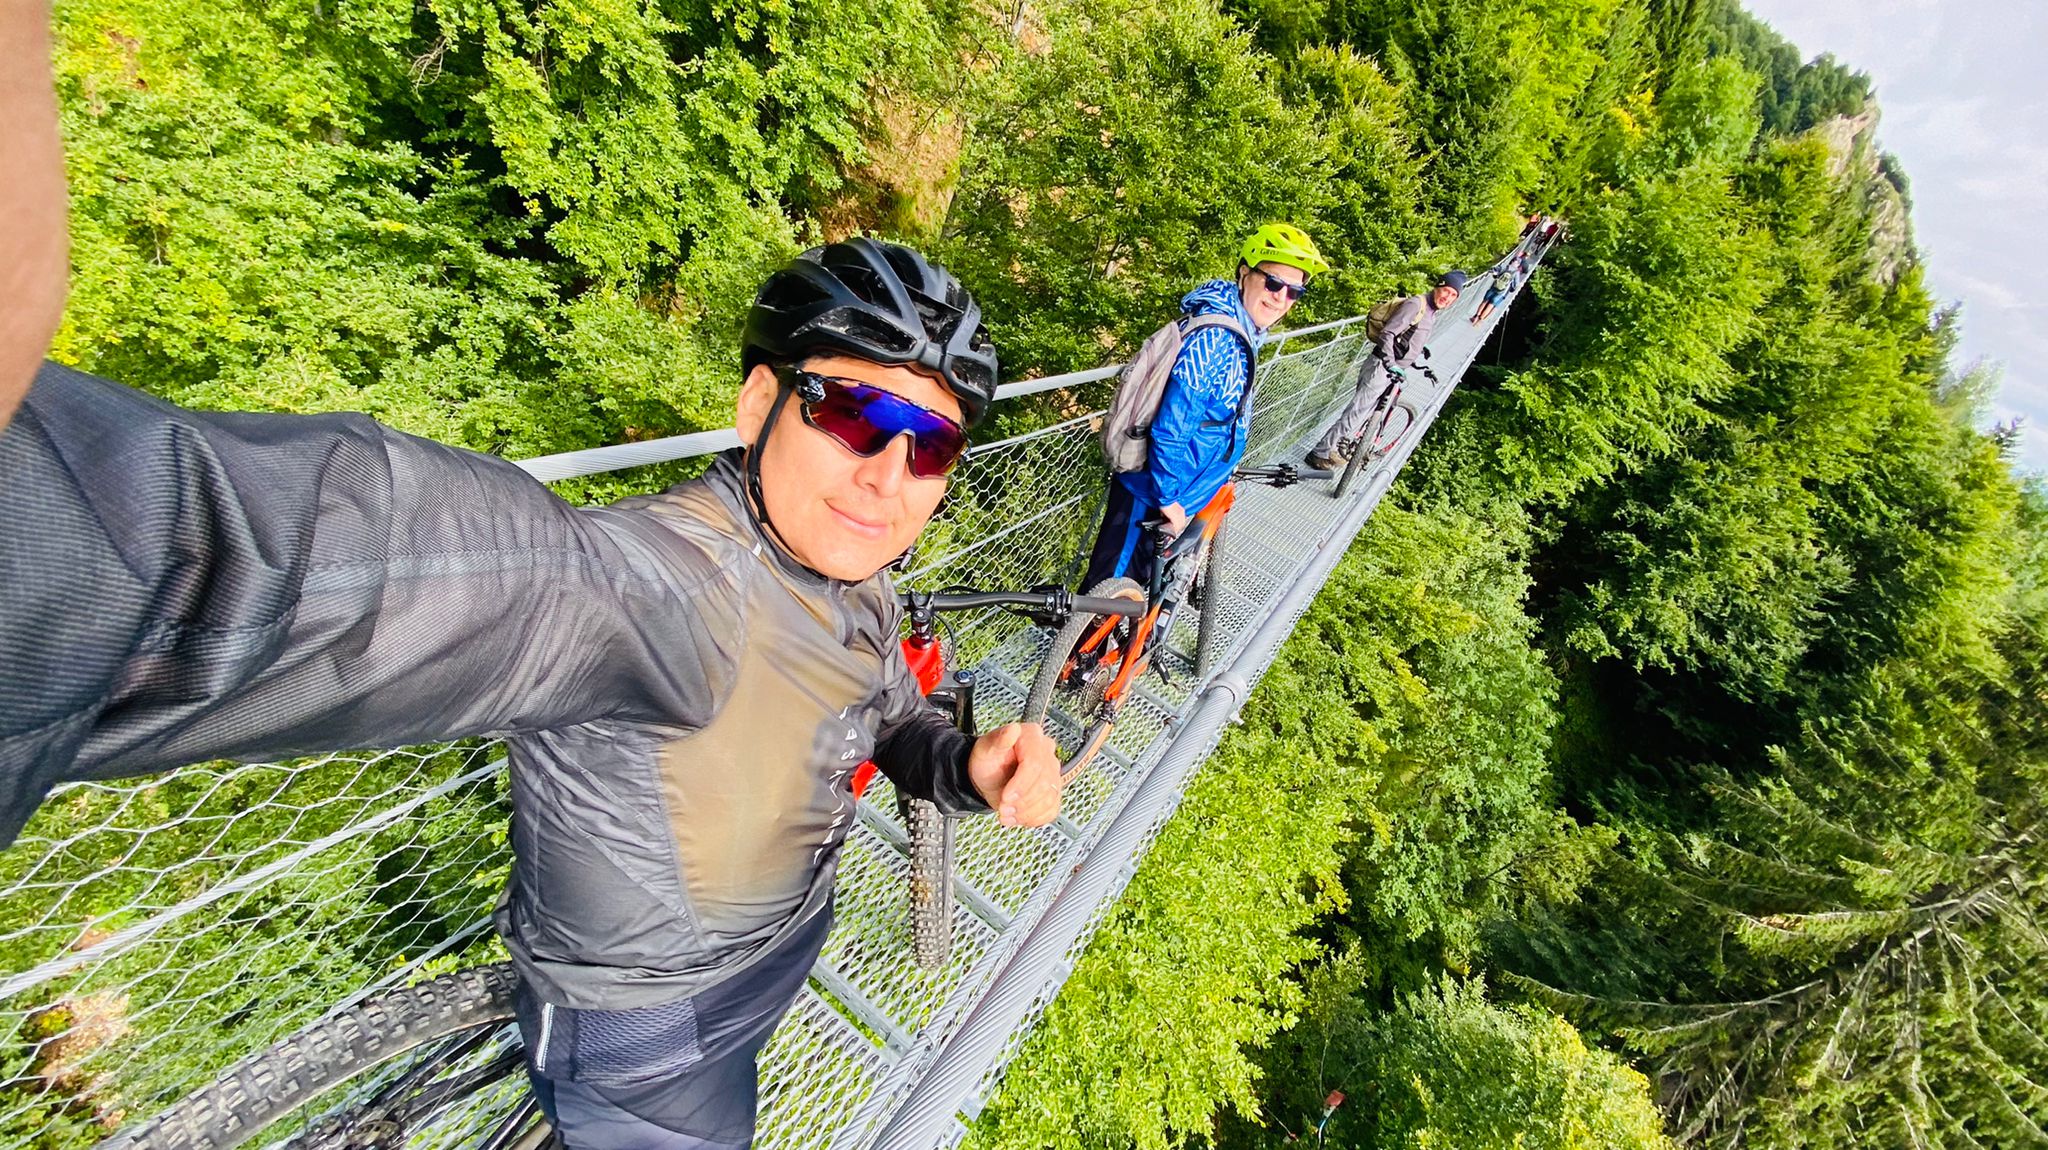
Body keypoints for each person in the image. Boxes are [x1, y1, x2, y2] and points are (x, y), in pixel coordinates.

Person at [0, 24, 1066, 1130]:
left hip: (766, 971)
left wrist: (959, 764)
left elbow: (881, 705)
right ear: (759, 407)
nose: (889, 474)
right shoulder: (655, 590)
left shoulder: (850, 575)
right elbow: (266, 561)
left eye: (931, 446)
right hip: (655, 1058)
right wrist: (61, 543)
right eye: (855, 411)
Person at [1080, 223, 1328, 591]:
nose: (1281, 298)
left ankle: (1120, 643)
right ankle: (1078, 647)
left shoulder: (1245, 330)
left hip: (1184, 487)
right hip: (1154, 493)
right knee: (1109, 594)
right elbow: (1173, 425)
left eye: (1295, 292)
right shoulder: (1216, 338)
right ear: (1246, 273)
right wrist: (1169, 500)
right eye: (1274, 283)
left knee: (1138, 590)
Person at [1306, 270, 1465, 471]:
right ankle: (1319, 454)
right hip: (1382, 366)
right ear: (1438, 286)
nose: (1447, 298)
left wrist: (1416, 349)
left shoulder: (1432, 312)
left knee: (1365, 412)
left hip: (1392, 369)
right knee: (1357, 412)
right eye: (1446, 291)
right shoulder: (1417, 304)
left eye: (1453, 295)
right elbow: (1389, 333)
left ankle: (1332, 449)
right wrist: (1391, 363)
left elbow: (1408, 333)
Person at [1470, 254, 1528, 325]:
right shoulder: (1516, 273)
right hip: (1502, 292)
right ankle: (1479, 321)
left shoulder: (1506, 267)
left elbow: (1496, 274)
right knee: (1491, 305)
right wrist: (1518, 286)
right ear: (1518, 264)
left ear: (1512, 261)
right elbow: (1515, 285)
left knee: (1484, 301)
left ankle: (1476, 316)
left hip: (1494, 287)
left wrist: (1493, 272)